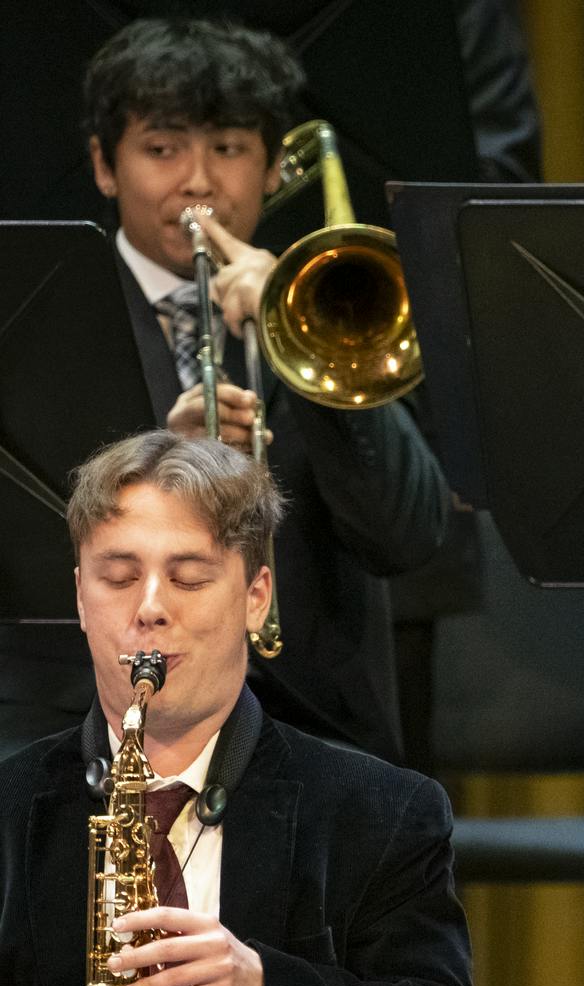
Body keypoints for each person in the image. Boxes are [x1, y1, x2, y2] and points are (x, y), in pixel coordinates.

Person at [0, 16, 452, 763]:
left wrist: (308, 349)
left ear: (275, 167)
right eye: (162, 149)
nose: (199, 181)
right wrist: (152, 467)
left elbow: (409, 536)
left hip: (311, 733)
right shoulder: (33, 310)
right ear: (105, 166)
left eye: (231, 149)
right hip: (73, 729)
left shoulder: (334, 305)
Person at [0, 430, 480, 986]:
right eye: (118, 578)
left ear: (257, 598)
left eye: (190, 579)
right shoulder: (8, 811)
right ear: (80, 599)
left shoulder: (383, 814)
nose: (149, 608)